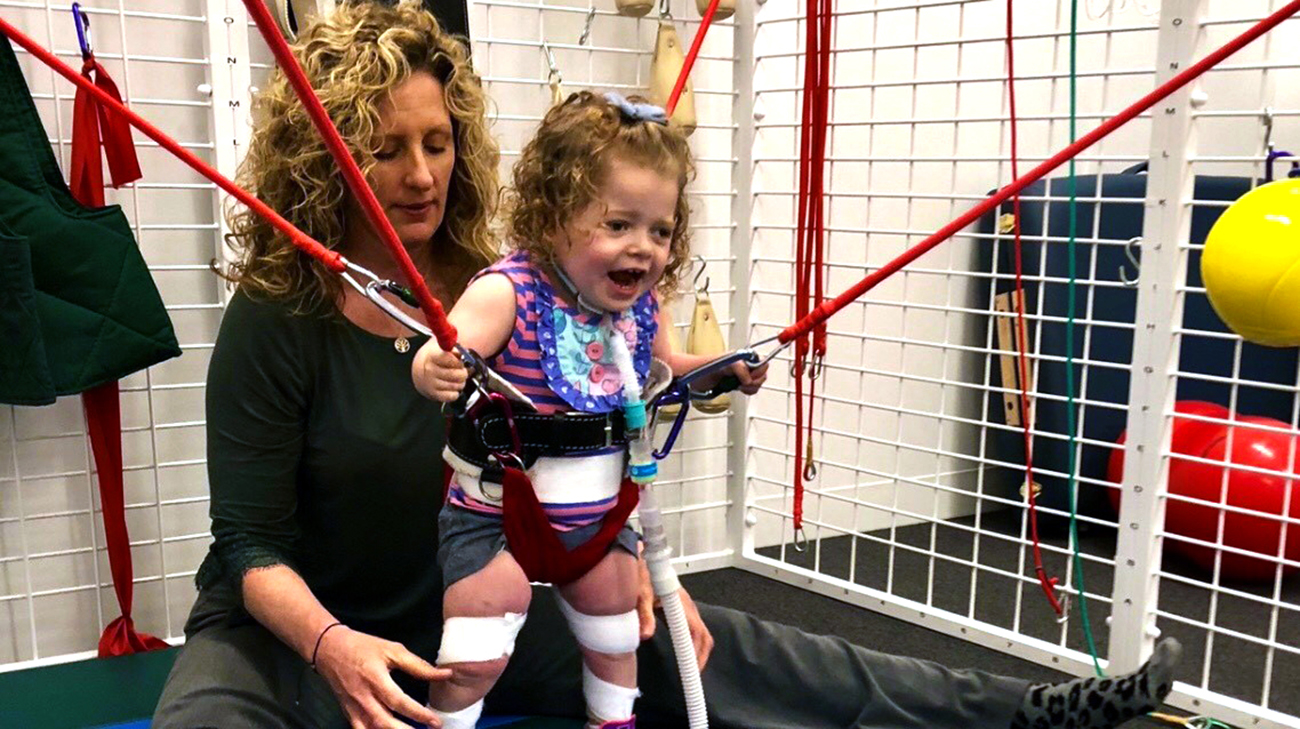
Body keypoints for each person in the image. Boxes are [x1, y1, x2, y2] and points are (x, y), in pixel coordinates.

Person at [152, 3, 1182, 728]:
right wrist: (332, 649)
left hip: (479, 601)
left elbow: (600, 421)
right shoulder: (275, 319)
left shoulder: (511, 286)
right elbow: (247, 546)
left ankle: (1023, 712)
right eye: (384, 147)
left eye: (436, 141)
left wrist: (633, 556)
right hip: (298, 636)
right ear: (325, 154)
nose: (419, 174)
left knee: (723, 648)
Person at [409, 90, 766, 729]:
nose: (643, 248)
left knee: (617, 640)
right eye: (618, 225)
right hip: (496, 519)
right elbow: (447, 344)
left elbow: (668, 373)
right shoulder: (508, 291)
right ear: (552, 217)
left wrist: (723, 370)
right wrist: (435, 366)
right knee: (476, 656)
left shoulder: (639, 311)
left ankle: (613, 724)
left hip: (599, 525)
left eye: (659, 230)